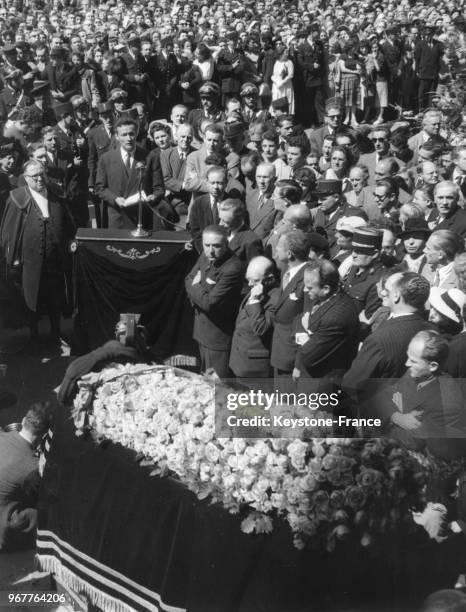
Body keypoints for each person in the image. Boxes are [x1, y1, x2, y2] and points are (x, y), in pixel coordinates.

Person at [0, 160, 75, 348]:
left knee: (55, 297)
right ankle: (33, 337)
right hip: (30, 258)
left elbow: (69, 222)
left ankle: (56, 333)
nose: (40, 179)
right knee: (31, 298)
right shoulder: (17, 197)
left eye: (42, 174)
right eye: (35, 176)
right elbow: (10, 232)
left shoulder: (57, 194)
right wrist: (13, 258)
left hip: (55, 257)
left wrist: (72, 241)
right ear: (26, 178)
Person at [343, 271, 433, 408]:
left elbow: (351, 384)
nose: (383, 293)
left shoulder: (379, 340)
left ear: (396, 296)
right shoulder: (432, 331)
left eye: (387, 290)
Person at [292, 260, 360, 394]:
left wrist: (308, 332)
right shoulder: (322, 297)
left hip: (321, 386)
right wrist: (297, 366)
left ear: (326, 288)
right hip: (307, 376)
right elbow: (300, 320)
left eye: (310, 287)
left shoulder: (337, 317)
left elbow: (310, 355)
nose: (305, 290)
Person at [185, 225, 243, 378]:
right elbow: (188, 279)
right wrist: (199, 290)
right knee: (205, 379)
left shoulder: (232, 268)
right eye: (207, 245)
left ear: (226, 244)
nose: (210, 250)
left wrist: (196, 285)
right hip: (202, 331)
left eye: (216, 246)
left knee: (218, 386)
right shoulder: (206, 256)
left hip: (217, 338)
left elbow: (209, 303)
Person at [0, 403, 52, 551]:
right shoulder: (33, 466)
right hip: (3, 534)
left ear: (23, 421)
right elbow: (40, 498)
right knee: (48, 513)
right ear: (44, 436)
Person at [229, 255, 279, 384]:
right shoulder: (256, 288)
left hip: (255, 368)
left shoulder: (276, 298)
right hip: (241, 361)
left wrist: (255, 302)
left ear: (270, 279)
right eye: (248, 279)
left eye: (255, 280)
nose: (250, 284)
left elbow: (262, 329)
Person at [95, 117, 151, 230]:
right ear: (116, 136)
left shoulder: (149, 157)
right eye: (124, 135)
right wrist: (115, 199)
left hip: (140, 217)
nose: (128, 138)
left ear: (137, 134)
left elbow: (158, 188)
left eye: (131, 134)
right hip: (117, 217)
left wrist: (150, 197)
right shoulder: (106, 159)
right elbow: (99, 188)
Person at [270, 229, 309, 391]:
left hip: (291, 359)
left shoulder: (307, 279)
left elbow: (307, 326)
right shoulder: (287, 273)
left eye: (278, 247)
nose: (275, 250)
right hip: (280, 352)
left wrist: (298, 365)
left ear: (290, 254)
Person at [218, 199, 263, 265]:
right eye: (220, 219)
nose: (220, 224)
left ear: (238, 220)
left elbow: (255, 270)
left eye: (226, 222)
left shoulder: (251, 241)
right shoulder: (223, 231)